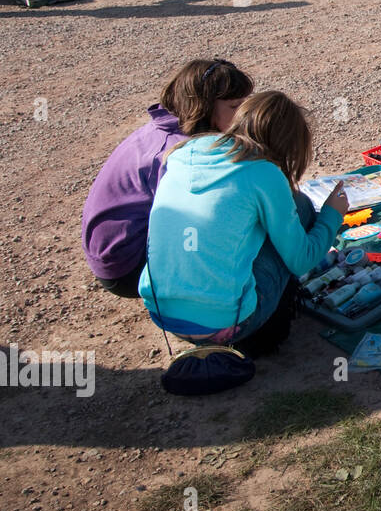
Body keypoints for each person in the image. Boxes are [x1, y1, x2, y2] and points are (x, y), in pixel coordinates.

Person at [140, 91, 349, 357]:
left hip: (163, 314)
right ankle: (267, 333)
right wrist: (332, 214)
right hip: (227, 324)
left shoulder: (185, 152)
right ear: (287, 144)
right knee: (302, 207)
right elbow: (301, 260)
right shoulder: (264, 172)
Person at [82, 60, 254, 298]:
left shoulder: (166, 129)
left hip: (116, 255)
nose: (245, 114)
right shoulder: (179, 153)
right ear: (203, 108)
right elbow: (199, 218)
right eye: (235, 106)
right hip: (129, 269)